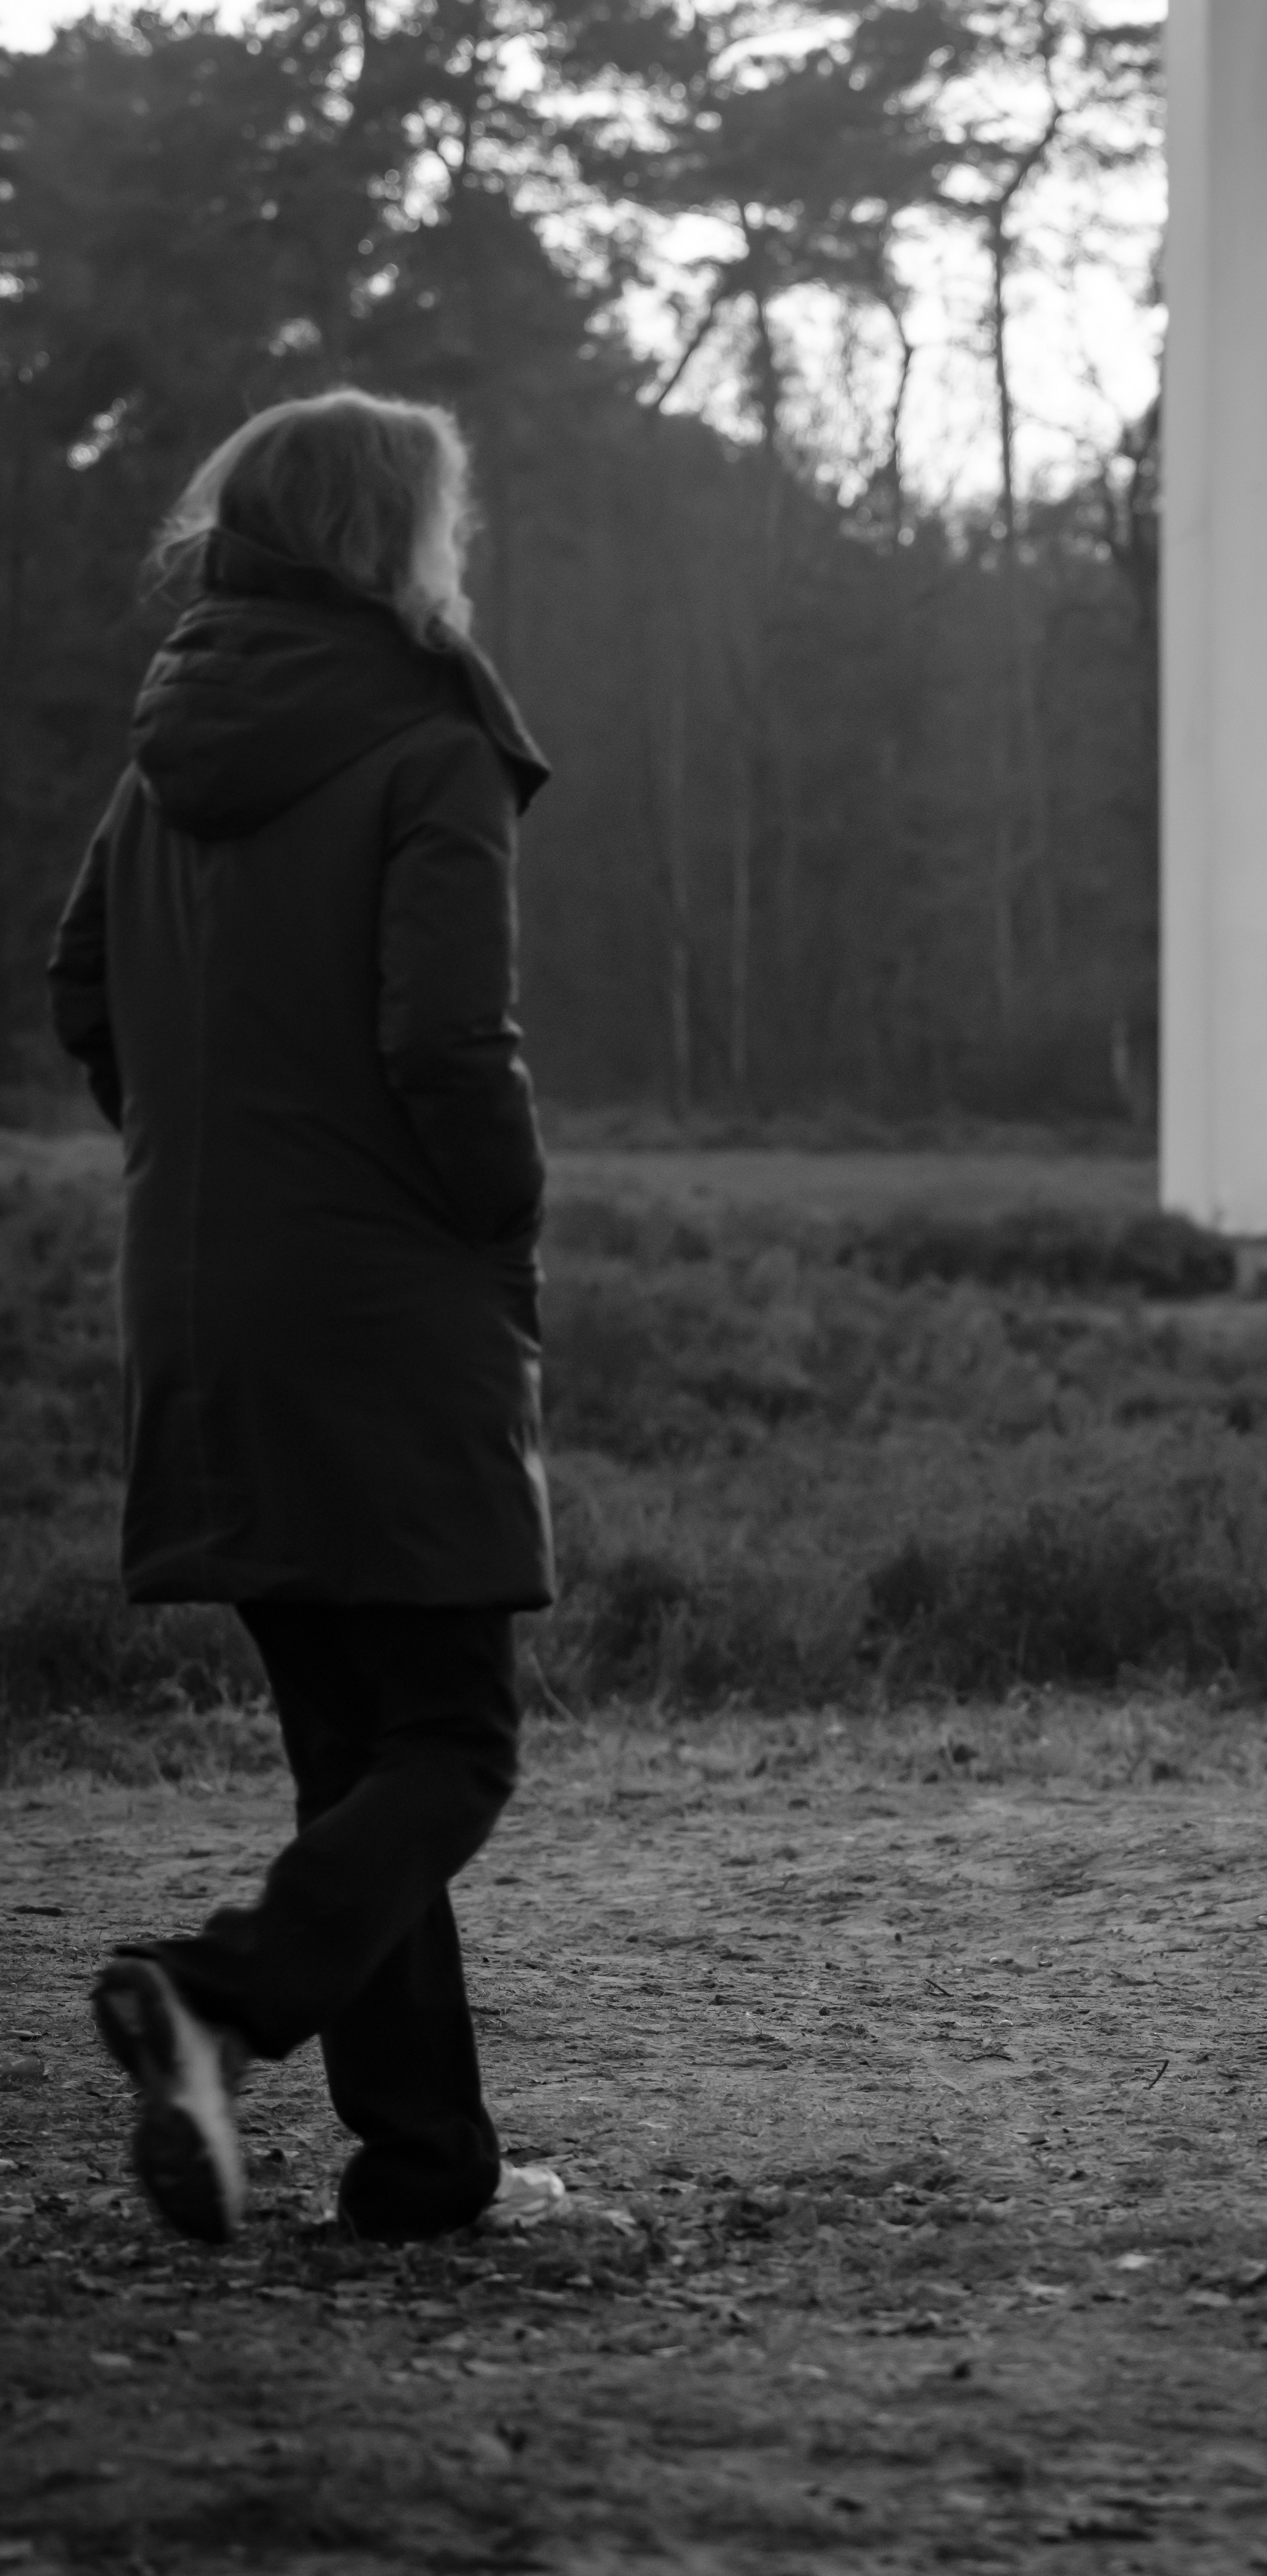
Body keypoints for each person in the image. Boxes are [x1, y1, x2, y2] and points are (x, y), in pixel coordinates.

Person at [48, 388, 564, 2244]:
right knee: (452, 1743)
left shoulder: (164, 753)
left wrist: (208, 1179)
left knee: (360, 1757)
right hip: (387, 1305)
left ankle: (427, 2172)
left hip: (210, 1311)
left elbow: (82, 989)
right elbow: (446, 1040)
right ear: (388, 534)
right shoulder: (426, 744)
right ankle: (218, 1991)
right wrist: (499, 1207)